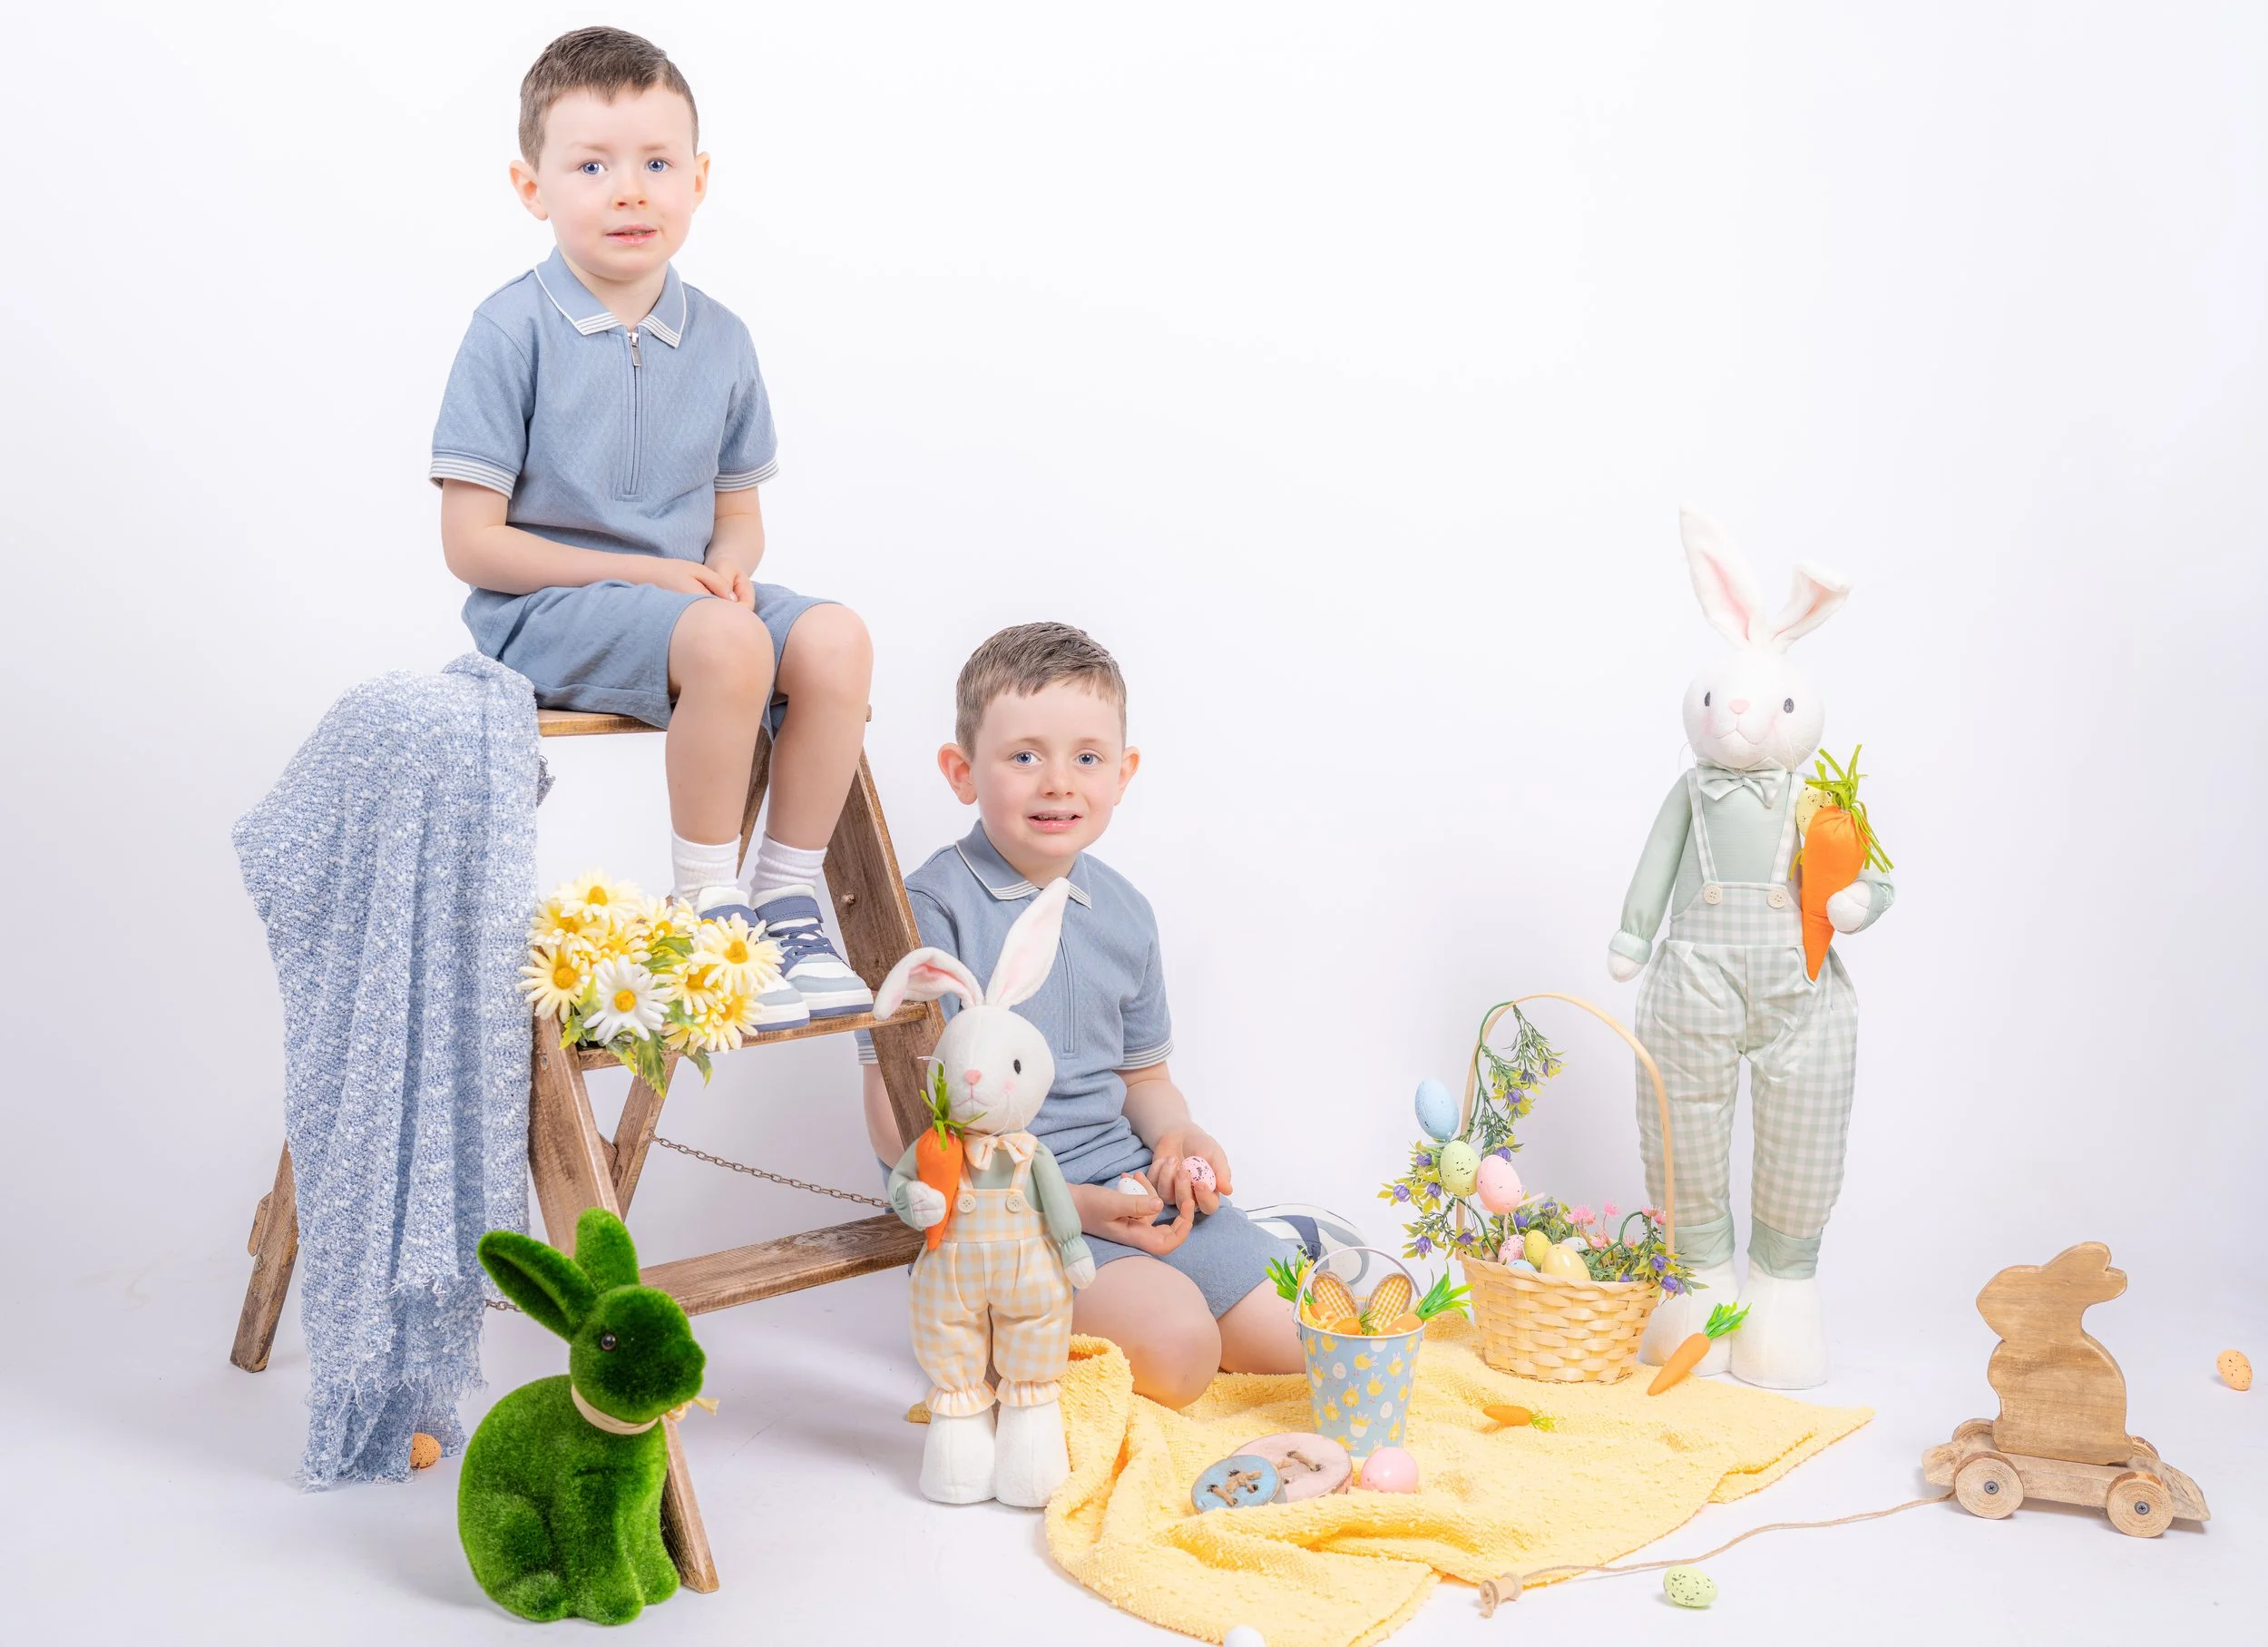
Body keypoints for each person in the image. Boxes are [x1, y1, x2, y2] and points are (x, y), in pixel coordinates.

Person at [432, 26, 870, 1026]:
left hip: (682, 607)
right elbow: (472, 545)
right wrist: (656, 584)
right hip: (544, 609)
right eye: (592, 165)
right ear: (530, 185)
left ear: (699, 179)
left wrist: (720, 568)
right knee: (722, 639)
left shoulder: (720, 337)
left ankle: (785, 897)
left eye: (656, 163)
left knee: (836, 638)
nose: (629, 190)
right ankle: (706, 909)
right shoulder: (512, 330)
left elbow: (737, 515)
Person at [864, 623, 1306, 1406]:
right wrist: (1064, 1205)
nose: (1058, 782)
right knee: (1179, 1354)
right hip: (998, 1212)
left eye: (1087, 757)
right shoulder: (931, 909)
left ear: (1123, 773)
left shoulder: (1123, 910)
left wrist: (1178, 1134)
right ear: (962, 772)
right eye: (1024, 755)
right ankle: (997, 1329)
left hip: (1127, 1186)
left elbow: (1144, 1074)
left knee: (1305, 1345)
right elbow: (897, 1119)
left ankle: (1252, 1247)